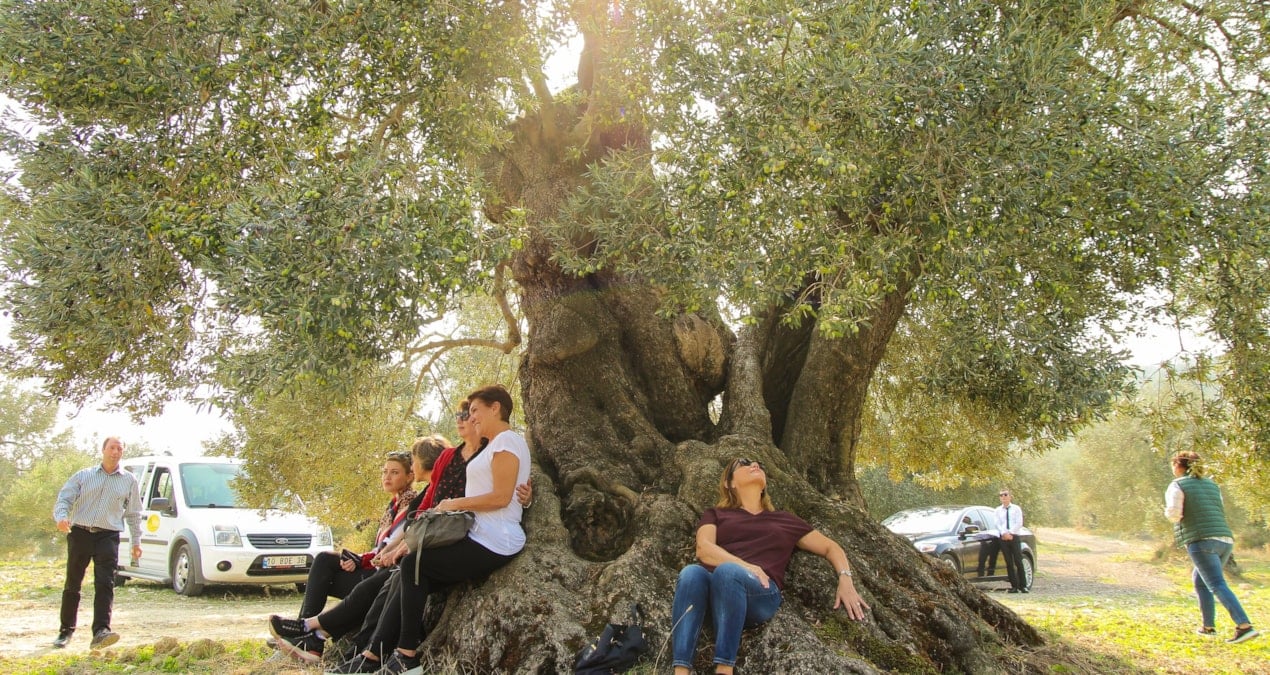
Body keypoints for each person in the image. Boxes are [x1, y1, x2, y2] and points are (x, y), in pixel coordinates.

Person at [372, 384, 531, 675]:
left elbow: (501, 497)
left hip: (496, 538)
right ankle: (378, 652)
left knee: (414, 565)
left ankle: (406, 657)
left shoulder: (506, 441)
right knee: (412, 571)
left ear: (495, 408)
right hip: (476, 532)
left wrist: (454, 503)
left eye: (475, 411)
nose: (471, 419)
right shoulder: (495, 444)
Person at [670, 457, 869, 675]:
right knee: (691, 573)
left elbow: (831, 547)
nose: (754, 465)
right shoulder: (716, 514)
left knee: (728, 572)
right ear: (729, 483)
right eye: (744, 463)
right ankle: (681, 670)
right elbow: (703, 548)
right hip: (718, 588)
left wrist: (845, 578)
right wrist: (746, 566)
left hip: (760, 593)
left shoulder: (784, 519)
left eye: (758, 464)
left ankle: (724, 668)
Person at [294, 449, 420, 619]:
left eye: (394, 472)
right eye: (385, 472)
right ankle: (303, 627)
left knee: (322, 574)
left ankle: (304, 629)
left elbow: (390, 548)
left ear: (409, 477)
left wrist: (363, 561)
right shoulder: (393, 504)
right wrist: (358, 559)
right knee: (324, 564)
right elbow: (379, 549)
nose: (387, 477)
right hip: (374, 568)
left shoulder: (410, 503)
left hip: (384, 577)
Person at [51, 437, 143, 649]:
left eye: (120, 448)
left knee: (105, 583)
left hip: (108, 536)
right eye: (112, 447)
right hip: (80, 533)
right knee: (73, 582)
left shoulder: (129, 480)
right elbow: (64, 499)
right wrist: (61, 517)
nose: (116, 452)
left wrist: (136, 542)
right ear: (103, 450)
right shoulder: (84, 475)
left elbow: (134, 513)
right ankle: (65, 631)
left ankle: (101, 631)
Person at [1165, 451, 1260, 644]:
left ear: (1178, 466)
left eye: (1173, 465)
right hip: (1225, 540)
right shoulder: (1212, 485)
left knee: (1216, 584)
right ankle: (1208, 627)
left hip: (1201, 540)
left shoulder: (1178, 484)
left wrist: (1168, 513)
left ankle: (1244, 626)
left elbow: (1175, 514)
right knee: (1201, 580)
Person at [994, 488, 1027, 593]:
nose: (1003, 497)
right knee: (1009, 562)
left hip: (1014, 536)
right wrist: (1004, 533)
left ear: (1010, 496)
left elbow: (1019, 523)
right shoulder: (997, 510)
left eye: (1005, 495)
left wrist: (1011, 533)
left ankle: (1023, 586)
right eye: (1001, 495)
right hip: (1003, 538)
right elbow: (997, 523)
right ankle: (1014, 586)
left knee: (1018, 561)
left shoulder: (1016, 509)